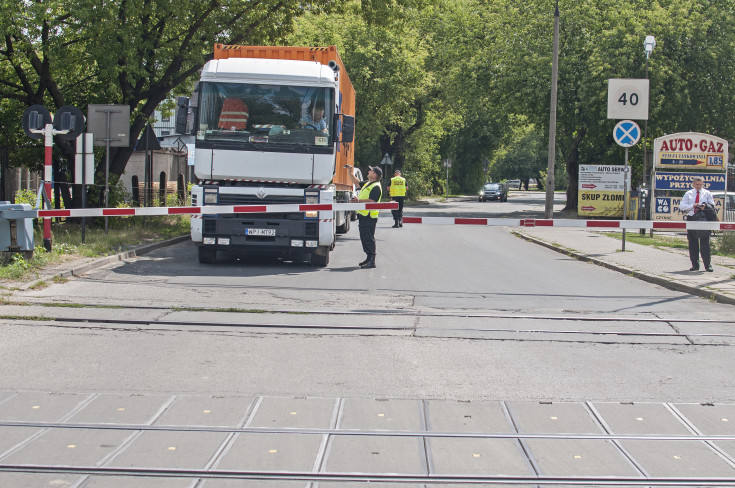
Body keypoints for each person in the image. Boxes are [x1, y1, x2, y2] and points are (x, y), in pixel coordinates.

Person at [346, 164, 383, 268]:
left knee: (368, 238)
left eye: (371, 171)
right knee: (364, 237)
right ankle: (368, 258)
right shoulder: (368, 183)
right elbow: (357, 183)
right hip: (364, 215)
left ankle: (372, 260)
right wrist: (350, 173)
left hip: (369, 216)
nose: (368, 171)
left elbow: (372, 201)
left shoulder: (376, 186)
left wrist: (358, 201)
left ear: (375, 174)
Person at [679, 176, 715, 272]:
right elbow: (682, 206)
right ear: (693, 184)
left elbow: (712, 205)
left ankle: (707, 265)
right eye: (697, 184)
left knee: (705, 243)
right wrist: (693, 205)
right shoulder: (689, 194)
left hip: (703, 219)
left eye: (700, 184)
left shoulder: (707, 193)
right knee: (693, 242)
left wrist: (705, 206)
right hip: (692, 217)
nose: (699, 186)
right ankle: (695, 265)